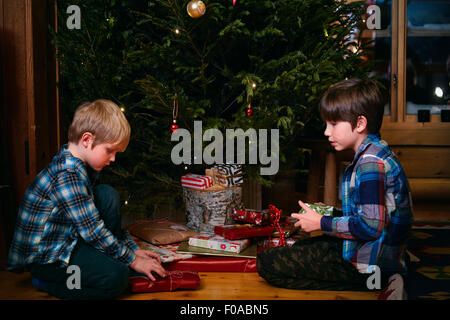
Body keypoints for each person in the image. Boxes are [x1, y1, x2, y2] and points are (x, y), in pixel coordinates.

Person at [257, 78, 414, 300]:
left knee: (267, 263)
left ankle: (380, 282)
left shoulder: (370, 163)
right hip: (373, 251)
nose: (326, 132)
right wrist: (330, 213)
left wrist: (321, 223)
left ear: (359, 124)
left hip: (369, 263)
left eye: (333, 124)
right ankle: (390, 271)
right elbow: (375, 216)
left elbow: (371, 227)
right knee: (304, 246)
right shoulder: (376, 151)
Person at [6, 99, 166, 299]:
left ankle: (109, 259)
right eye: (110, 151)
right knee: (117, 277)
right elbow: (93, 231)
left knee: (107, 195)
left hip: (70, 239)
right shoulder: (68, 174)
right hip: (48, 260)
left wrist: (132, 251)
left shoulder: (82, 165)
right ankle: (49, 283)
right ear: (87, 139)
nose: (113, 159)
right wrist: (131, 260)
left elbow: (95, 221)